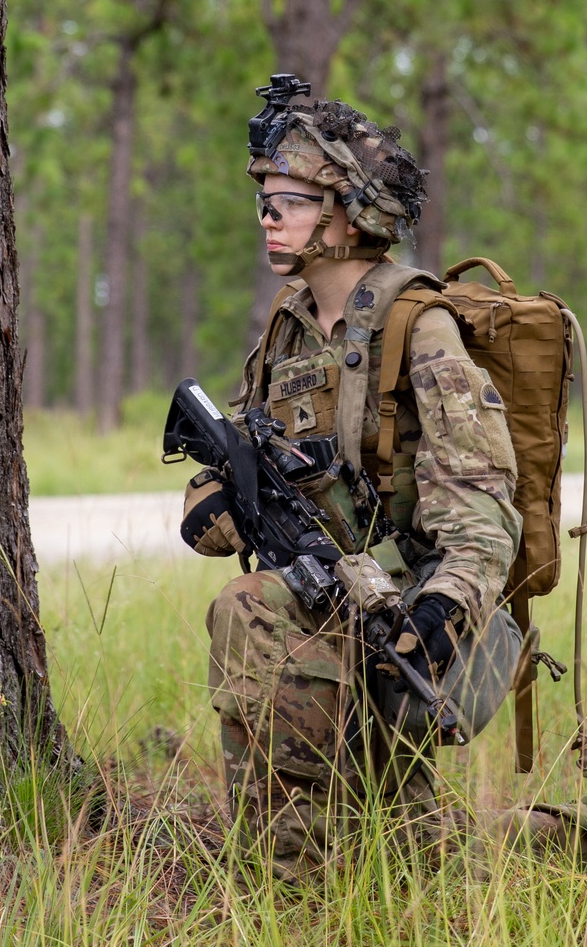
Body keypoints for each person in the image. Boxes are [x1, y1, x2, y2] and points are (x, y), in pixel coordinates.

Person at [179, 77, 523, 881]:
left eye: (288, 202)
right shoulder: (286, 325)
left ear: (348, 215)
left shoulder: (418, 325)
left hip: (396, 604)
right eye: (264, 202)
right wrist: (218, 506)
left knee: (424, 859)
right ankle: (287, 876)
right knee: (247, 608)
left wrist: (445, 603)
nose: (268, 219)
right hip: (308, 585)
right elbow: (227, 457)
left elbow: (483, 497)